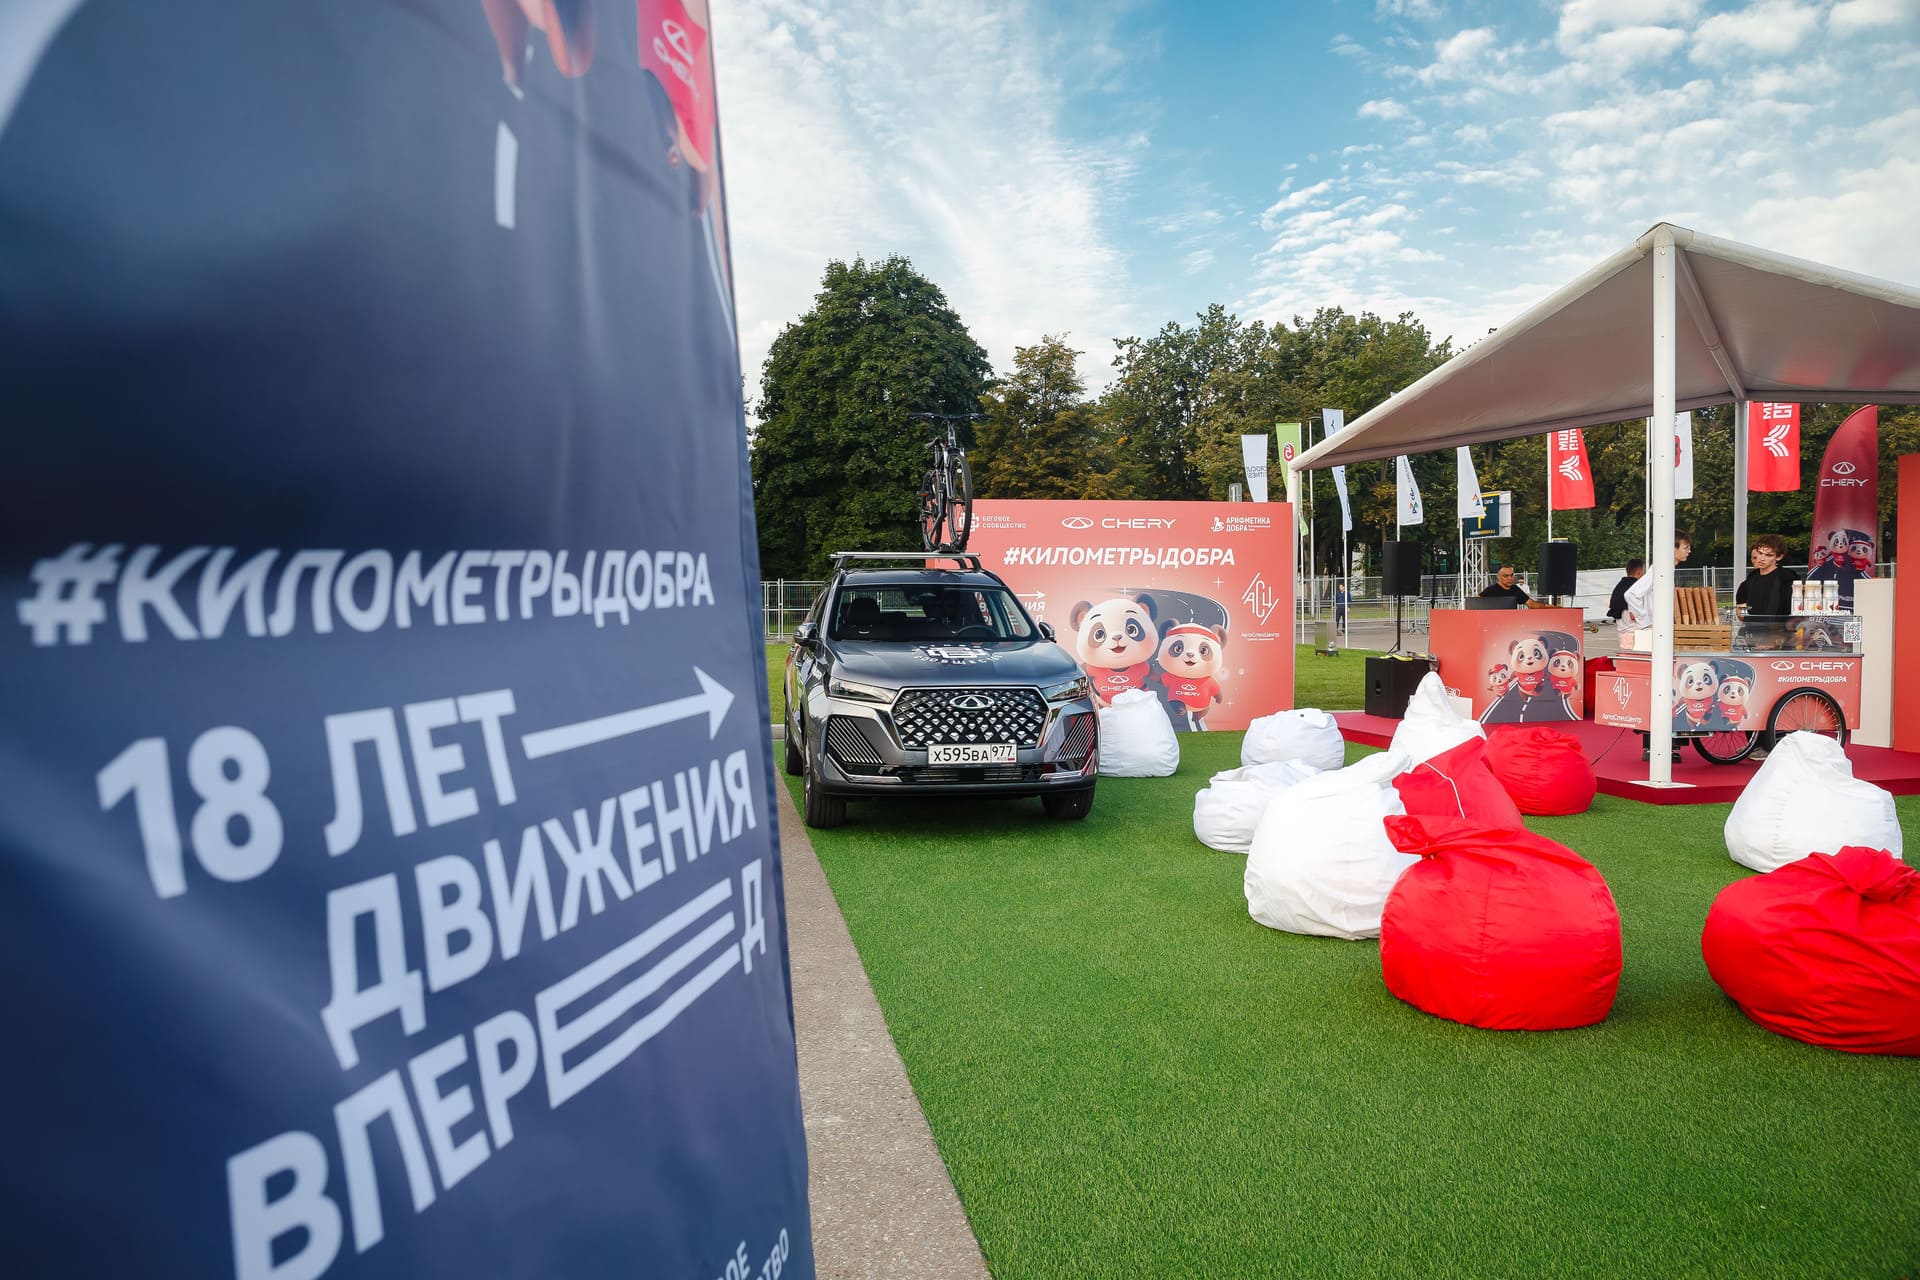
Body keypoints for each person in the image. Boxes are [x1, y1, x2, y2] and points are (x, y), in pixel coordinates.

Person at [1618, 531, 1692, 635]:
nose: (1689, 551)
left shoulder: (1667, 568)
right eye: (1685, 548)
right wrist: (1645, 621)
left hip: (1661, 627)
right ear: (1672, 549)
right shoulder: (1659, 569)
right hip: (1655, 631)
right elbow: (1631, 594)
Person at [1735, 533, 1798, 619]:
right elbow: (1741, 608)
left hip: (1779, 626)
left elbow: (1793, 610)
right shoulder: (1751, 578)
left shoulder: (1787, 578)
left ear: (1779, 557)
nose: (1762, 558)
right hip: (1752, 626)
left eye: (1768, 555)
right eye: (1760, 553)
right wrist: (1749, 621)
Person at [1478, 564, 1547, 609]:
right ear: (1498, 577)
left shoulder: (1515, 589)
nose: (1510, 578)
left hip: (1511, 622)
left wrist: (1550, 606)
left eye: (1511, 575)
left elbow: (1532, 604)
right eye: (1506, 576)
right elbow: (1475, 603)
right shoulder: (1490, 590)